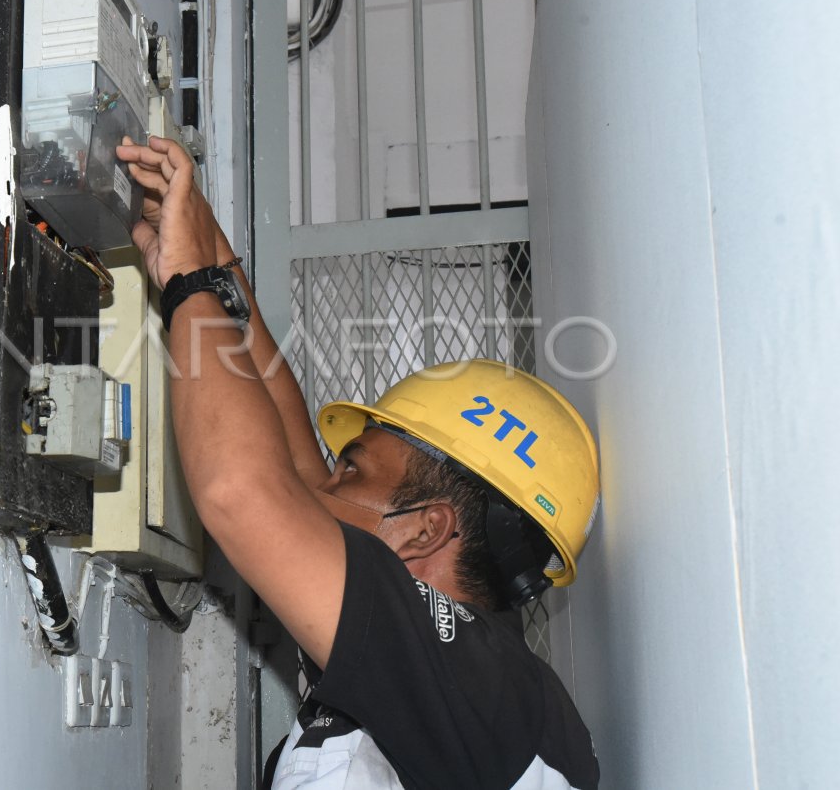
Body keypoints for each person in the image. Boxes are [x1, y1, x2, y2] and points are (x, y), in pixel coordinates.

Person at [116, 136, 601, 790]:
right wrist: (212, 258)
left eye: (352, 471)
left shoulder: (481, 682)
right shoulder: (464, 676)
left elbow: (247, 491)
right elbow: (292, 471)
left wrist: (187, 287)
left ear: (426, 528)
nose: (322, 482)